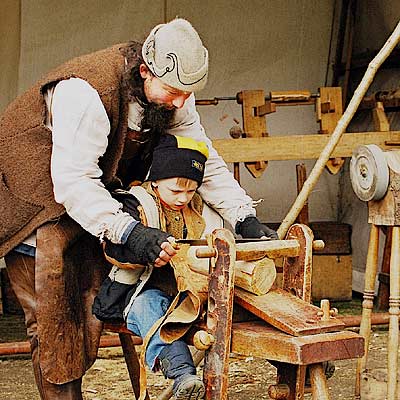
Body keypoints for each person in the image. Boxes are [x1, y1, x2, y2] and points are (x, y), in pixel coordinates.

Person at [0, 18, 278, 399]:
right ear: (145, 71)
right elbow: (74, 184)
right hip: (32, 208)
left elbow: (200, 157)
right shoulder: (86, 94)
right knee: (54, 326)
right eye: (174, 91)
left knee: (101, 305)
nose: (181, 101)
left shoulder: (170, 94)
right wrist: (130, 231)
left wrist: (243, 216)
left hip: (84, 209)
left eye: (187, 93)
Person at [94, 134, 213, 399]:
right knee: (149, 308)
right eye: (176, 190)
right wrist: (145, 249)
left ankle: (298, 359)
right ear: (156, 180)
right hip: (137, 290)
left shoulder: (193, 206)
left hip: (184, 289)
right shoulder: (135, 203)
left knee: (228, 302)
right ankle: (182, 374)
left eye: (191, 190)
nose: (184, 198)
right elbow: (113, 247)